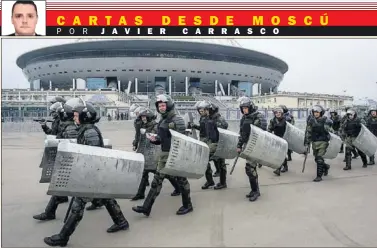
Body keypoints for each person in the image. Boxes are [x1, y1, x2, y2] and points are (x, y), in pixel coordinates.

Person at [44, 99, 129, 247]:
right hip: (97, 173)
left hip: (92, 174)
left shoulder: (89, 132)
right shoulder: (85, 129)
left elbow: (94, 156)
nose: (74, 118)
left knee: (77, 206)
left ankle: (63, 237)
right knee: (107, 198)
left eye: (77, 116)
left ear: (85, 116)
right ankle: (121, 222)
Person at [132, 94, 193, 216]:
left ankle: (188, 205)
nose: (161, 107)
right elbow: (161, 138)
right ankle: (146, 207)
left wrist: (180, 156)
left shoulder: (178, 120)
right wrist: (155, 139)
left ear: (169, 105)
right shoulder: (162, 120)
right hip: (164, 154)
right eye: (159, 105)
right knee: (156, 182)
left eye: (163, 105)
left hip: (175, 154)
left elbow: (184, 140)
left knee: (182, 180)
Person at [33, 99, 79, 221]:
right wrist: (44, 126)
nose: (53, 114)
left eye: (55, 112)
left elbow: (71, 145)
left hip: (70, 161)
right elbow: (55, 136)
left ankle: (50, 212)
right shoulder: (62, 124)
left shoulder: (67, 126)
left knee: (62, 186)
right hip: (66, 158)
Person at [131, 108, 180, 201]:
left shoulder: (155, 126)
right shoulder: (141, 125)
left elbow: (158, 138)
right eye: (142, 117)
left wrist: (149, 134)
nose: (143, 118)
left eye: (145, 116)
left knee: (164, 174)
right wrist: (135, 143)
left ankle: (178, 188)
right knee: (144, 172)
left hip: (154, 153)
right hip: (145, 152)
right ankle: (140, 193)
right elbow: (138, 137)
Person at [236, 97, 267, 202]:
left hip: (256, 146)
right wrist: (239, 145)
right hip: (248, 146)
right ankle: (254, 190)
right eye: (242, 108)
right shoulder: (244, 118)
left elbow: (261, 133)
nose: (244, 110)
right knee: (249, 169)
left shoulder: (258, 117)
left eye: (246, 108)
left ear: (250, 107)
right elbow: (242, 134)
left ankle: (256, 191)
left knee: (250, 168)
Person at [304, 105, 333, 182]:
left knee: (319, 158)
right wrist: (307, 142)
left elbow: (331, 131)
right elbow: (308, 132)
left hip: (323, 142)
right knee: (316, 159)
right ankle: (326, 167)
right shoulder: (311, 121)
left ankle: (319, 176)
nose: (316, 114)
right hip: (314, 142)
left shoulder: (325, 120)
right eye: (314, 112)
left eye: (317, 112)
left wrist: (328, 127)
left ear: (321, 113)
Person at [208, 102, 229, 189]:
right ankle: (221, 182)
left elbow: (224, 127)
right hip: (214, 142)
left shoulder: (218, 119)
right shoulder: (212, 118)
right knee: (220, 164)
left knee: (221, 164)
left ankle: (222, 183)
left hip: (219, 144)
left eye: (208, 110)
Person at [268, 107, 289, 176]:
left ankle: (278, 169)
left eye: (279, 112)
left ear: (282, 113)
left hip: (284, 139)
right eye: (276, 113)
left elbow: (290, 129)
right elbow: (270, 129)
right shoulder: (273, 121)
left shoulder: (286, 120)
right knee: (280, 154)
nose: (278, 114)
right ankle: (285, 166)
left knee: (281, 154)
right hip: (276, 138)